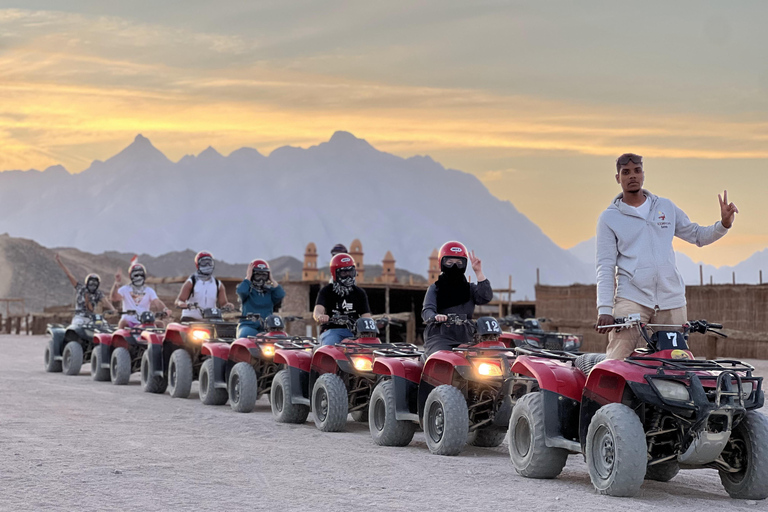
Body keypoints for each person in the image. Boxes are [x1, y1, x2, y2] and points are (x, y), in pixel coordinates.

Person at [595, 153, 739, 359]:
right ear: (618, 178)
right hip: (632, 298)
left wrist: (724, 224)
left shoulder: (666, 207)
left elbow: (697, 235)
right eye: (625, 172)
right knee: (617, 360)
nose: (632, 176)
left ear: (643, 174)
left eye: (637, 171)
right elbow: (605, 266)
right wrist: (605, 309)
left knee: (676, 362)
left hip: (671, 298)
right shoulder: (609, 218)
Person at [421, 241, 493, 357]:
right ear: (442, 263)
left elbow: (485, 298)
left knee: (485, 361)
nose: (454, 266)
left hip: (467, 336)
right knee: (441, 360)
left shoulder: (470, 288)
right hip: (440, 337)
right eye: (449, 262)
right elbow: (427, 310)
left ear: (465, 265)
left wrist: (478, 272)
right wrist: (435, 316)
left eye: (459, 262)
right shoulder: (435, 288)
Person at [313, 253, 372, 345]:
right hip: (332, 331)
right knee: (331, 349)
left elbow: (366, 316)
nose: (348, 276)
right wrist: (320, 316)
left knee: (373, 348)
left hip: (355, 333)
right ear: (335, 273)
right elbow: (317, 311)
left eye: (350, 272)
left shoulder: (360, 293)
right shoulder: (326, 291)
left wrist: (371, 324)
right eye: (344, 273)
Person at [54, 253, 115, 325]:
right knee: (78, 324)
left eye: (95, 283)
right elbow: (69, 274)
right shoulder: (80, 288)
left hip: (92, 317)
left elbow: (106, 302)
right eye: (91, 282)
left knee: (104, 324)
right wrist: (59, 262)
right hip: (79, 317)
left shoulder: (98, 293)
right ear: (87, 282)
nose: (93, 285)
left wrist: (113, 309)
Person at [175, 251, 234, 321]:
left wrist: (228, 305)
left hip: (210, 319)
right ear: (198, 264)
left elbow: (223, 303)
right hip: (191, 319)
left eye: (210, 262)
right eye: (204, 263)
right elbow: (179, 300)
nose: (207, 265)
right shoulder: (191, 282)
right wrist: (182, 304)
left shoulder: (218, 284)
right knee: (184, 331)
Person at [110, 263, 172, 328]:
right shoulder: (125, 289)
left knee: (160, 324)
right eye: (136, 275)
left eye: (140, 275)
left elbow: (157, 302)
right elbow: (114, 298)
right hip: (129, 321)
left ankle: (161, 338)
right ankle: (119, 338)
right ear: (131, 276)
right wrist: (117, 283)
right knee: (122, 322)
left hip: (145, 321)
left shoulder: (149, 290)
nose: (138, 277)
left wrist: (165, 309)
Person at [236, 259, 286, 337]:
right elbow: (241, 291)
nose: (261, 279)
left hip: (268, 327)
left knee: (283, 338)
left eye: (264, 276)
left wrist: (272, 279)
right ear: (252, 275)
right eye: (258, 275)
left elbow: (281, 294)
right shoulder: (248, 291)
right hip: (248, 326)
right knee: (245, 337)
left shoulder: (269, 292)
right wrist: (248, 277)